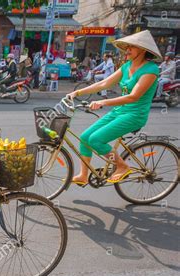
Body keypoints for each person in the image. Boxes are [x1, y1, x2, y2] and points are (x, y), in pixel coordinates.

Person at [66, 30, 160, 185]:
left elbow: (133, 97)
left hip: (134, 115)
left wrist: (103, 102)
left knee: (96, 140)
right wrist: (78, 92)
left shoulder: (150, 70)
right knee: (84, 138)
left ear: (143, 50)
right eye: (127, 47)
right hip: (119, 111)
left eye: (132, 47)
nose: (127, 50)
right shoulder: (126, 66)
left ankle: (122, 166)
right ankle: (83, 175)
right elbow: (104, 83)